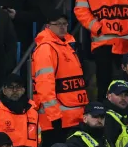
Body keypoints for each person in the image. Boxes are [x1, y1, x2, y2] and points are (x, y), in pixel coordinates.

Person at [31, 9, 88, 139]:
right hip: (57, 120)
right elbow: (45, 86)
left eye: (65, 24)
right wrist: (54, 116)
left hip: (73, 116)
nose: (62, 27)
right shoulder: (46, 48)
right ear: (48, 26)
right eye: (58, 24)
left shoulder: (67, 45)